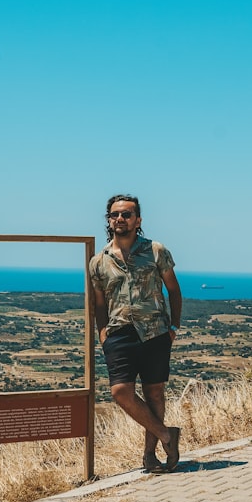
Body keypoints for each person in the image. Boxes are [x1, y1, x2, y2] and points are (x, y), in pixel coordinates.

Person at [89, 194, 183, 473]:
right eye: (115, 214)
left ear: (137, 220)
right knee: (121, 392)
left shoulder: (156, 251)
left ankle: (150, 456)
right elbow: (99, 303)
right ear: (109, 220)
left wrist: (173, 327)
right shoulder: (99, 262)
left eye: (126, 214)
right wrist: (103, 335)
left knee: (154, 394)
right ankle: (168, 436)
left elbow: (174, 291)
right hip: (119, 334)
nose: (120, 219)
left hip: (155, 331)